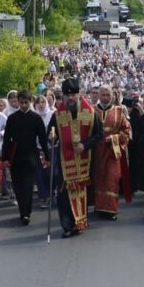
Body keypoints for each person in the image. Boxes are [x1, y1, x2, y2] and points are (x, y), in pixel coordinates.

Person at [47, 77, 103, 237]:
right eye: (67, 95)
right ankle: (68, 225)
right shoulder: (58, 114)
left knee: (82, 192)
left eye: (73, 95)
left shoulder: (90, 112)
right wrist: (52, 136)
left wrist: (85, 145)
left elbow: (99, 134)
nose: (70, 98)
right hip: (65, 161)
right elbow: (51, 133)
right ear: (63, 96)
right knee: (64, 194)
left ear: (79, 94)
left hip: (85, 160)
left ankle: (80, 222)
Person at [3, 90, 50, 225]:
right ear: (18, 102)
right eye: (21, 102)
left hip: (31, 156)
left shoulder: (36, 118)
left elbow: (42, 139)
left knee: (28, 186)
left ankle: (26, 213)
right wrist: (5, 158)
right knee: (18, 186)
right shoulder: (12, 118)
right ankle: (22, 210)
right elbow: (7, 138)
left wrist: (47, 156)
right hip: (15, 156)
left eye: (26, 102)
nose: (23, 105)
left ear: (30, 102)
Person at [91, 84, 132, 220]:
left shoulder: (119, 111)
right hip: (97, 151)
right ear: (98, 95)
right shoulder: (92, 111)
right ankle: (99, 207)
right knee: (99, 179)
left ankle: (111, 209)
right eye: (103, 95)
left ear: (112, 96)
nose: (105, 97)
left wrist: (114, 137)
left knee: (112, 178)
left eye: (108, 95)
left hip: (112, 152)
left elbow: (127, 131)